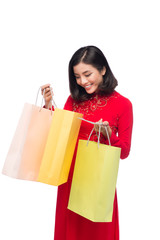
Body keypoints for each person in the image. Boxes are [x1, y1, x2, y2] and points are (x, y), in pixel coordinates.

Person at [41, 45, 133, 240]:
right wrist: (49, 107)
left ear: (103, 69)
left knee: (98, 232)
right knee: (70, 233)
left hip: (98, 181)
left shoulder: (123, 104)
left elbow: (124, 151)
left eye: (87, 74)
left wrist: (108, 134)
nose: (82, 81)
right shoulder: (73, 100)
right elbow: (60, 134)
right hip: (70, 180)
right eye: (76, 76)